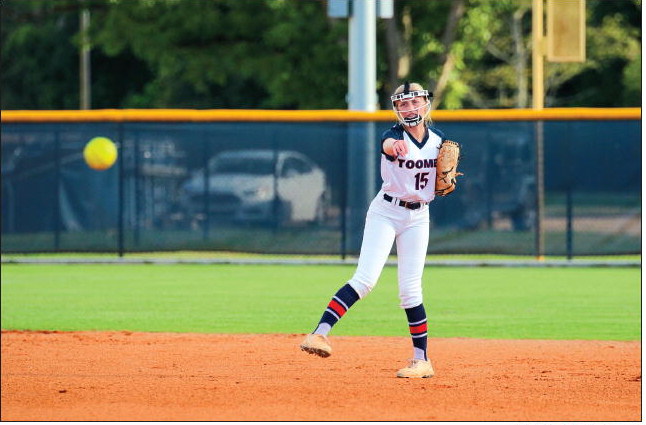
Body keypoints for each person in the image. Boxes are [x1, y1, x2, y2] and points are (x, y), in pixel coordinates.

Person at [300, 82, 449, 378]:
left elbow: (438, 179)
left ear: (425, 103)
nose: (408, 108)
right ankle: (318, 334)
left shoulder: (439, 140)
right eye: (402, 104)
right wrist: (393, 148)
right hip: (386, 212)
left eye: (414, 101)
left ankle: (422, 361)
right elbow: (388, 146)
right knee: (365, 279)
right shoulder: (392, 136)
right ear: (396, 108)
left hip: (419, 217)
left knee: (410, 290)